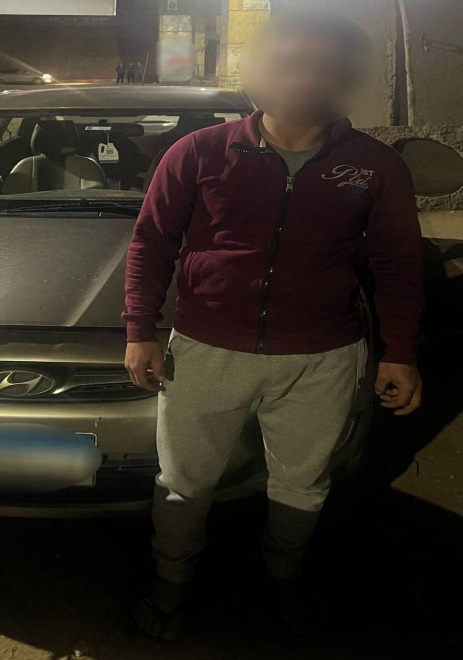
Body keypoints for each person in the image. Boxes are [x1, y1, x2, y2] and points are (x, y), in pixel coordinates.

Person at [124, 10, 424, 642]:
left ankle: (282, 579)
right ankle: (171, 581)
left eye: (325, 65)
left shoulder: (374, 166)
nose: (306, 76)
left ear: (346, 78)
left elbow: (397, 262)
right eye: (290, 62)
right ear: (262, 69)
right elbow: (152, 242)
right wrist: (139, 330)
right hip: (207, 349)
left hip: (322, 356)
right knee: (183, 484)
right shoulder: (199, 151)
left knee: (302, 485)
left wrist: (400, 350)